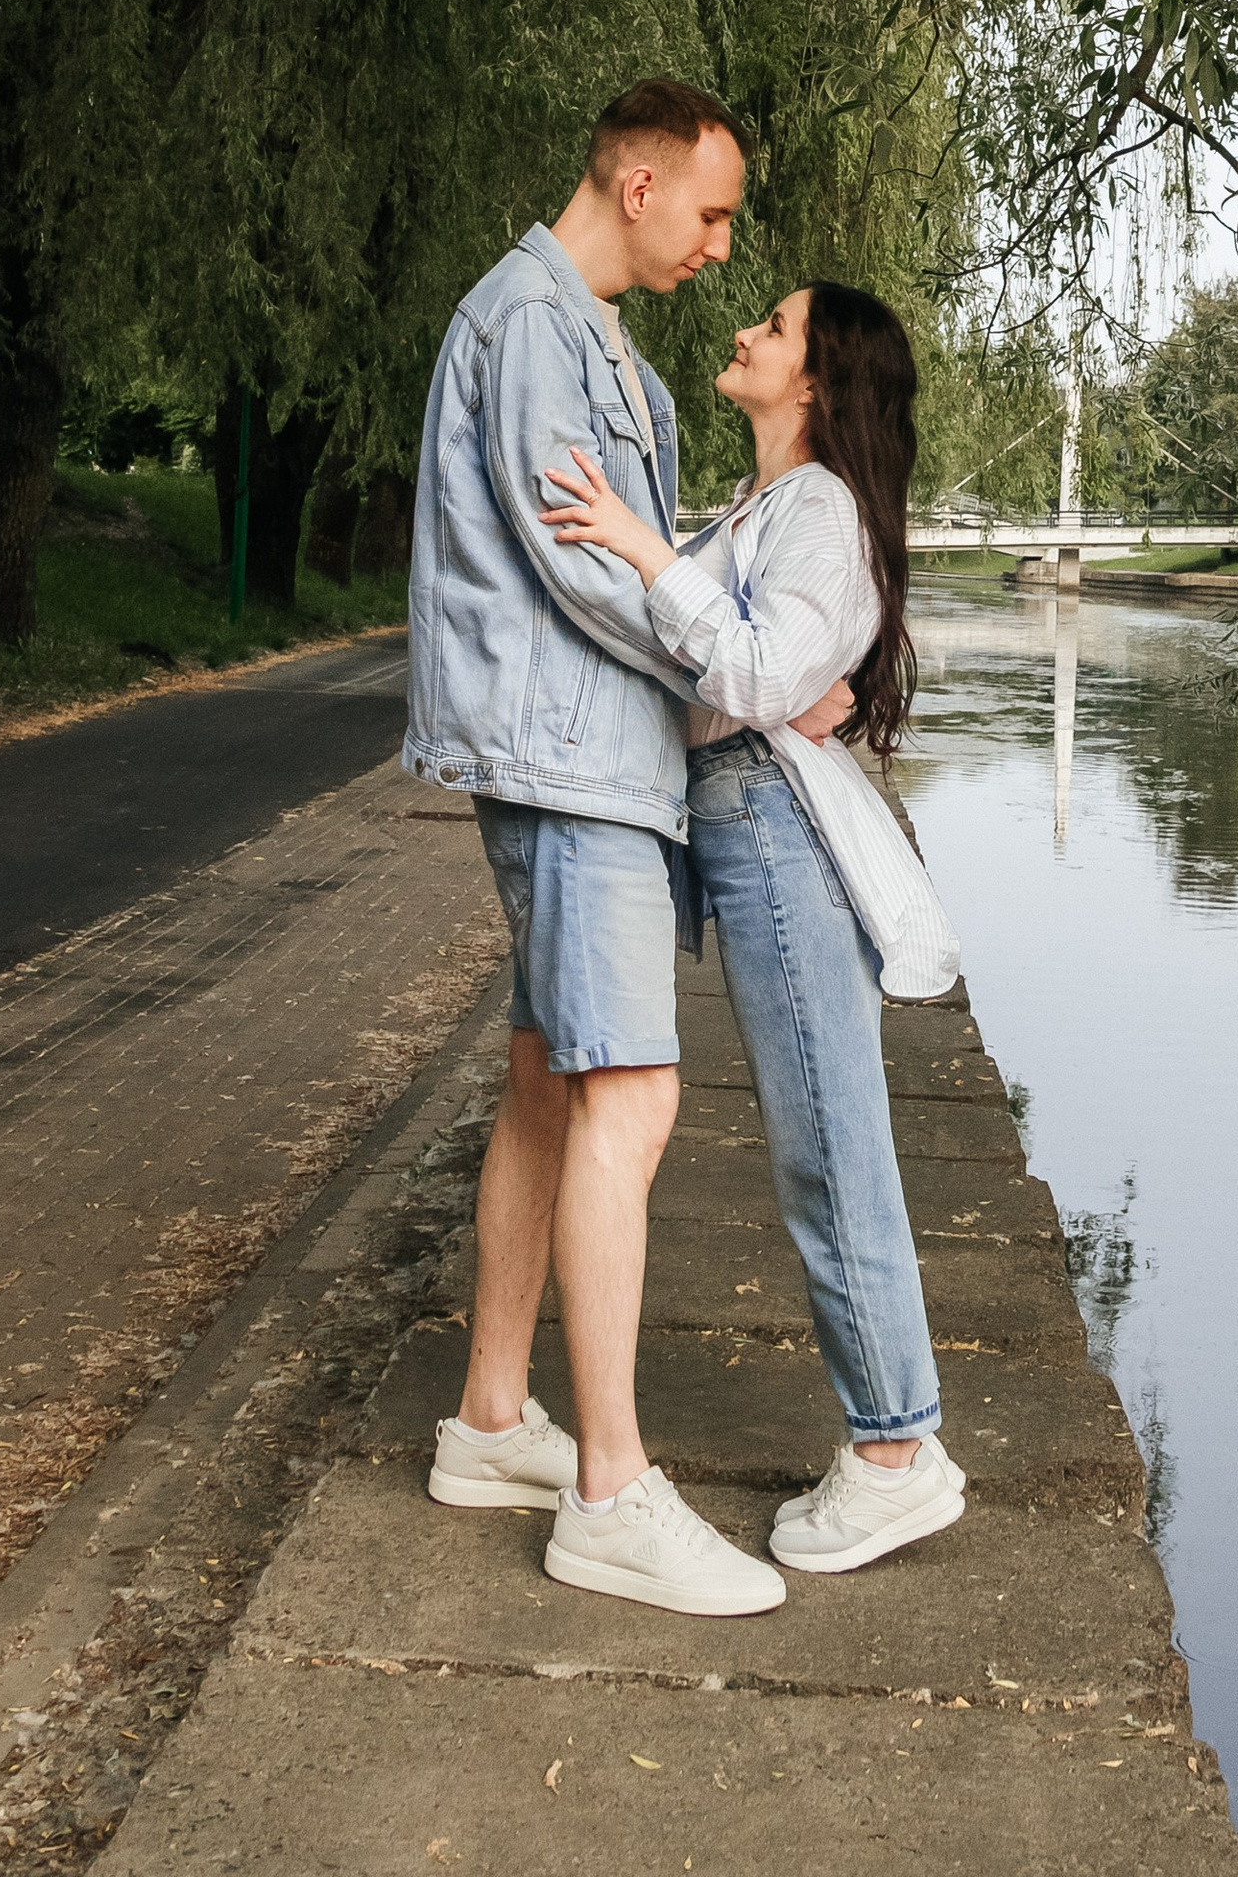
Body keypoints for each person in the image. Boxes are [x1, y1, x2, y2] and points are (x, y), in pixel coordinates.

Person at [400, 78, 858, 1623]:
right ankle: (609, 1490)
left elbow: (646, 559)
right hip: (573, 769)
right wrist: (725, 648)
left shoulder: (615, 361)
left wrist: (759, 647)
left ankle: (487, 1425)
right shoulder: (533, 324)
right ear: (644, 183)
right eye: (716, 213)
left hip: (602, 768)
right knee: (634, 1093)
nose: (725, 249)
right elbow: (585, 570)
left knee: (548, 1081)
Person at [537, 276, 967, 1574]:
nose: (746, 333)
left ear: (819, 382)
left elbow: (758, 672)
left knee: (830, 1148)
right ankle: (897, 1439)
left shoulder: (820, 509)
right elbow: (747, 665)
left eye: (773, 328)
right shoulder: (778, 506)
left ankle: (896, 1450)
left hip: (772, 827)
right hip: (744, 818)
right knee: (821, 1145)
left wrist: (638, 544)